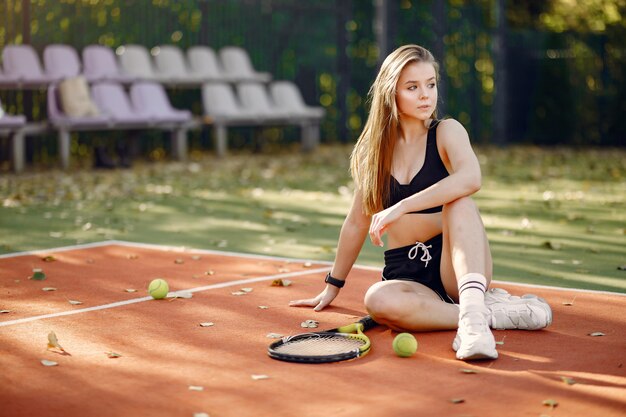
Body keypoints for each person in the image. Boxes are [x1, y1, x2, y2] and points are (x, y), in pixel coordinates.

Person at [289, 44, 552, 361]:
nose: (426, 95)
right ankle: (487, 313)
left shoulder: (447, 131)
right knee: (377, 300)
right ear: (392, 93)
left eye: (430, 84)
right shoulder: (374, 154)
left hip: (455, 267)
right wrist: (333, 286)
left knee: (460, 202)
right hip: (406, 274)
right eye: (413, 87)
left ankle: (472, 322)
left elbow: (471, 178)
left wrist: (402, 206)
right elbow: (357, 221)